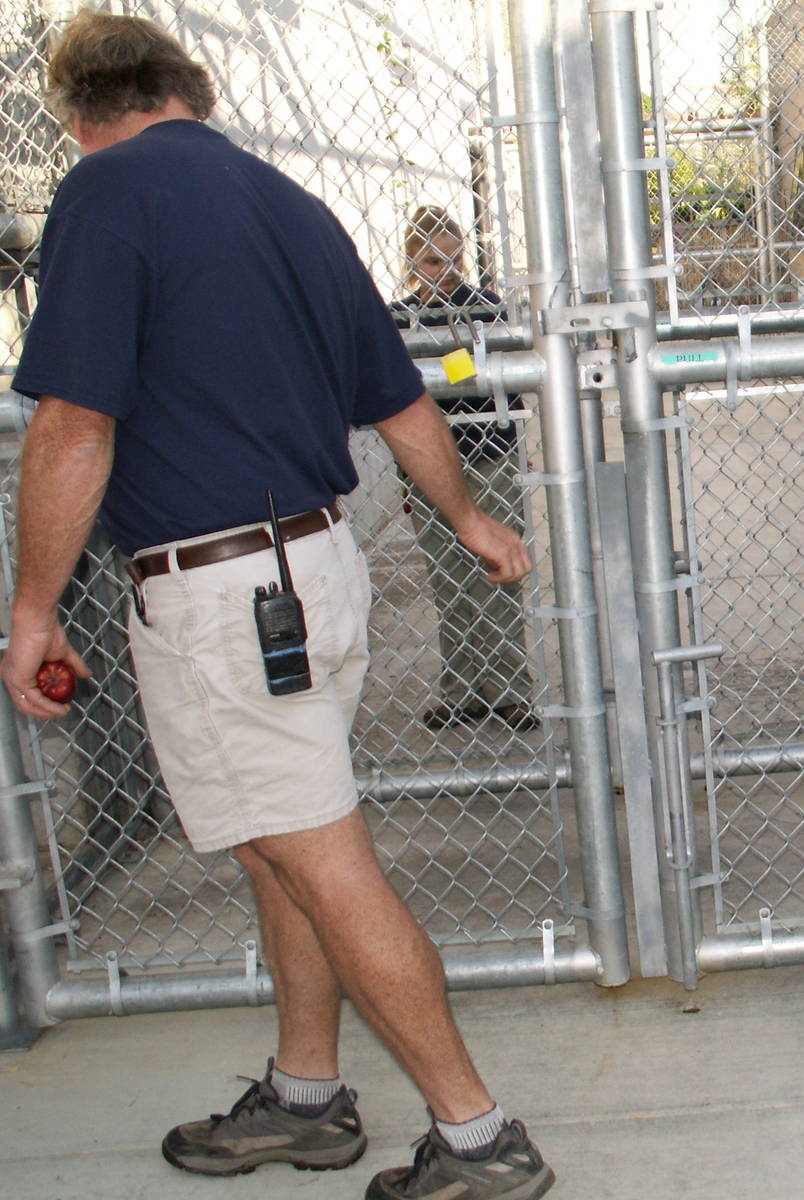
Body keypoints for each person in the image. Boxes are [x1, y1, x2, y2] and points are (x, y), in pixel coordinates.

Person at [0, 14, 555, 1200]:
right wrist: (466, 520)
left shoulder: (104, 197)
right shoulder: (290, 204)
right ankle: (307, 1098)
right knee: (282, 849)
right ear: (189, 88)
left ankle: (476, 1135)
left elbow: (72, 424)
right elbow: (402, 402)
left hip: (223, 594)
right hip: (317, 568)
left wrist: (33, 611)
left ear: (78, 114)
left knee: (322, 859)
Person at [392, 206, 538, 732]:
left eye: (454, 260)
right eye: (433, 261)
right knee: (447, 582)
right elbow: (399, 389)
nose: (446, 272)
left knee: (498, 576)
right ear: (412, 259)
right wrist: (455, 367)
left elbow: (497, 374)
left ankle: (510, 690)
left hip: (488, 456)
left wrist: (438, 372)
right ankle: (461, 689)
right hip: (428, 464)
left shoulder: (485, 308)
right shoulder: (397, 317)